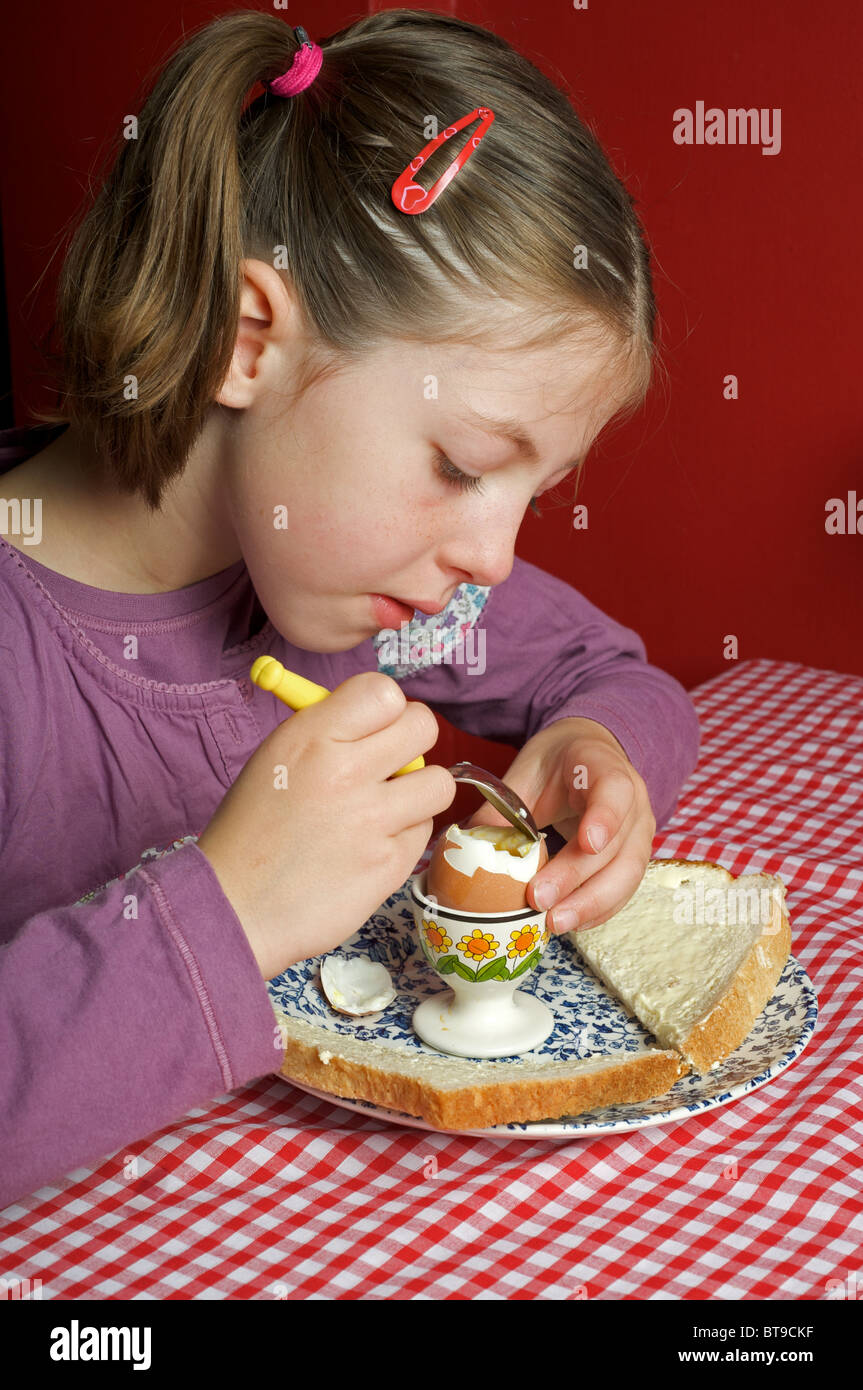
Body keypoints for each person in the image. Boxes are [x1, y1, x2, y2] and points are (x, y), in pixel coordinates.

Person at [0, 9, 700, 1207]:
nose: (490, 555)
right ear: (244, 337)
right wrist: (226, 914)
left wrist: (599, 750)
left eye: (536, 489)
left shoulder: (376, 596)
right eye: (464, 462)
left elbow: (608, 671)